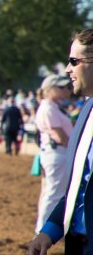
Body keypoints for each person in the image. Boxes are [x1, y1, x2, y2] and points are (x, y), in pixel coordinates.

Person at [27, 30, 93, 255]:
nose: (67, 69)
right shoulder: (87, 110)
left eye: (73, 60)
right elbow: (80, 185)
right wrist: (50, 231)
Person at [33, 74, 74, 233]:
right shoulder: (49, 107)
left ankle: (43, 227)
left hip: (54, 153)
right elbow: (60, 136)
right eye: (62, 87)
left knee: (51, 192)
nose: (66, 90)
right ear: (50, 90)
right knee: (54, 194)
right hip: (57, 152)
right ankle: (44, 229)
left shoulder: (51, 106)